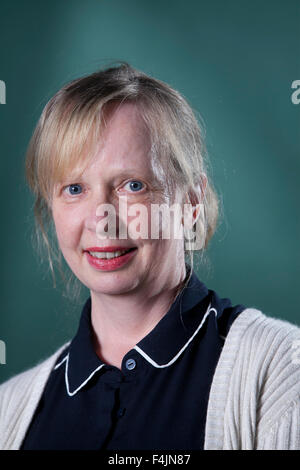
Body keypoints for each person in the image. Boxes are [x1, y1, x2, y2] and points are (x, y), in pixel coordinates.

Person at [0, 63, 299, 450]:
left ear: (191, 204)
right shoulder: (9, 412)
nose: (101, 220)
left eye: (133, 185)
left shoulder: (279, 373)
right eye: (74, 188)